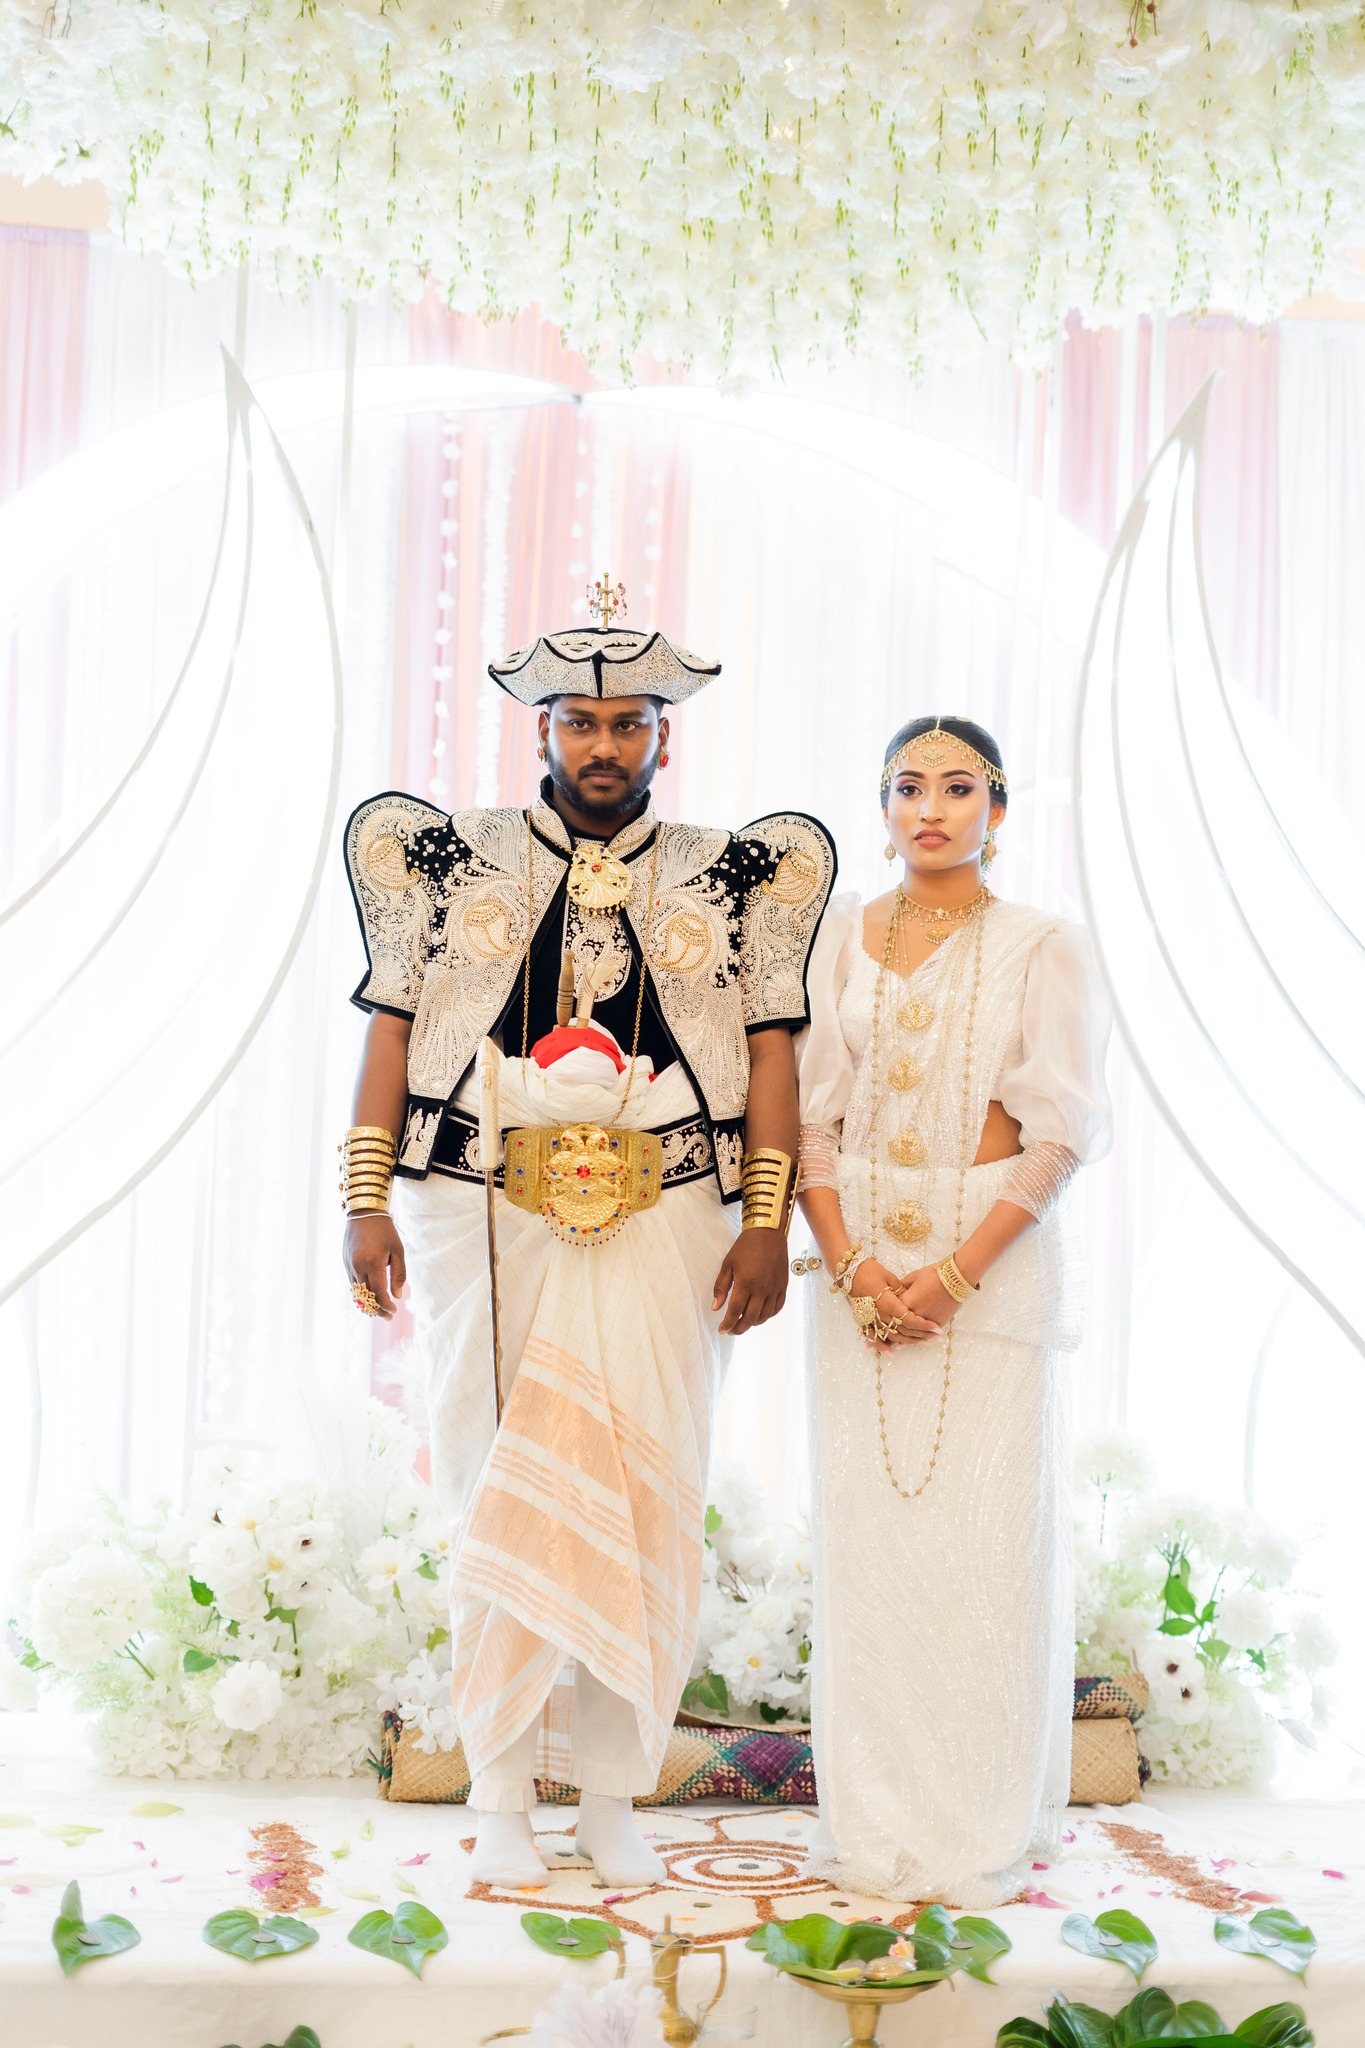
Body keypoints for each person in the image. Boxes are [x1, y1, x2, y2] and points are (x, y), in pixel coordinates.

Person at [340, 617, 835, 1888]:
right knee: (495, 1484)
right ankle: (502, 1792)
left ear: (664, 735)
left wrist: (768, 1218)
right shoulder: (452, 858)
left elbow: (771, 1051)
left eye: (627, 723)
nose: (603, 744)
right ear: (544, 729)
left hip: (674, 1210)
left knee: (648, 1489)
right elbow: (394, 1027)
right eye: (579, 722)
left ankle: (615, 1792)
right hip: (482, 1202)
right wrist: (364, 1196)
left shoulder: (734, 874)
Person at [795, 714, 1110, 1906]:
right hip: (859, 1263)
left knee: (984, 1547)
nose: (931, 808)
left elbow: (1059, 1132)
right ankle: (875, 1820)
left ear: (999, 807)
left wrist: (959, 1272)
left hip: (992, 1261)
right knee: (870, 1549)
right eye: (908, 786)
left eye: (959, 786)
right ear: (883, 806)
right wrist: (849, 1265)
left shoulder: (1043, 944)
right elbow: (811, 1118)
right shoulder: (840, 934)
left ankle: (977, 1821)